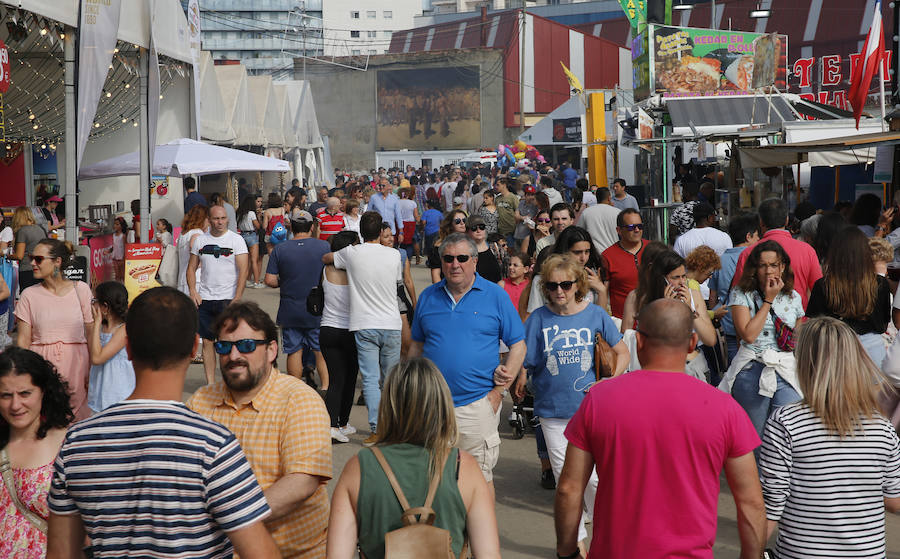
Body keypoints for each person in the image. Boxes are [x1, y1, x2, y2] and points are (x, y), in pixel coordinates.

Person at [46, 287, 279, 559]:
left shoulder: (77, 442)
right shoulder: (214, 446)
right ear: (194, 348)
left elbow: (60, 553)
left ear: (128, 348)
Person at [555, 298, 765, 559]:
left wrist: (567, 552)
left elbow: (569, 489)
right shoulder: (725, 409)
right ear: (692, 343)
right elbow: (751, 503)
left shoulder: (599, 400)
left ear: (639, 342)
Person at [188, 301, 332, 558]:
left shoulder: (299, 399)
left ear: (271, 350)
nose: (234, 356)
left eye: (246, 346)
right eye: (224, 347)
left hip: (292, 553)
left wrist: (232, 518)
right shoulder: (201, 402)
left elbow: (302, 480)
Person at [326, 358, 501, 559]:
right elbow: (488, 554)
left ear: (389, 406)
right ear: (442, 404)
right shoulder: (464, 467)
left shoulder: (360, 467)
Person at [758, 317, 900, 558]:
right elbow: (894, 500)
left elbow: (771, 508)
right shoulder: (883, 429)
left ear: (804, 363)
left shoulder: (785, 423)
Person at [519, 254, 628, 546]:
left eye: (565, 284)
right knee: (565, 482)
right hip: (552, 411)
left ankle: (607, 533)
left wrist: (610, 381)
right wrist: (514, 375)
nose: (559, 291)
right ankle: (576, 544)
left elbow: (623, 352)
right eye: (552, 286)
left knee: (593, 480)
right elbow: (525, 359)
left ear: (578, 284)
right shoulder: (538, 319)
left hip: (591, 411)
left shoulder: (596, 315)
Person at [410, 233, 526, 494]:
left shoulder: (495, 295)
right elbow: (416, 347)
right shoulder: (428, 297)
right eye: (448, 258)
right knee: (431, 481)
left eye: (462, 258)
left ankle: (477, 525)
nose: (455, 264)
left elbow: (518, 345)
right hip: (432, 407)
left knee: (478, 484)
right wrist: (412, 392)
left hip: (477, 407)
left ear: (474, 261)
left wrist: (499, 392)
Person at [323, 212, 402, 446]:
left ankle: (377, 429)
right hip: (391, 323)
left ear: (361, 231)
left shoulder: (351, 253)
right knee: (390, 380)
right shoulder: (395, 255)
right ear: (380, 232)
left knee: (370, 380)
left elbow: (327, 257)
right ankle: (394, 428)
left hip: (364, 324)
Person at [719, 241, 804, 438]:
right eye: (763, 265)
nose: (768, 271)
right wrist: (768, 300)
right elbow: (748, 335)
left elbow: (796, 339)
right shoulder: (741, 294)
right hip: (752, 369)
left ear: (782, 267)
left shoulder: (794, 297)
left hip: (786, 370)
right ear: (754, 269)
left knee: (786, 433)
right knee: (755, 437)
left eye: (773, 265)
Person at [0, 347, 73, 559]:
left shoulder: (68, 444)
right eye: (5, 395)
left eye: (25, 393)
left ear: (44, 391)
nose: (15, 405)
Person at [15, 239, 92, 421]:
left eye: (39, 259)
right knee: (46, 420)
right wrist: (23, 374)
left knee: (77, 421)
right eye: (31, 258)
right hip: (42, 365)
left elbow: (91, 333)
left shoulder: (81, 290)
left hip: (77, 365)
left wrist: (92, 370)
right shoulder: (28, 295)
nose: (33, 263)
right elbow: (23, 341)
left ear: (57, 261)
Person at [621, 250, 718, 381]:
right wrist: (664, 308)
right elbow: (625, 338)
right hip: (652, 367)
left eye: (684, 276)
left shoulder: (694, 295)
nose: (682, 282)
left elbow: (710, 340)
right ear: (661, 278)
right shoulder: (637, 297)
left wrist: (689, 310)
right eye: (675, 278)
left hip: (690, 366)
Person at [805, 226, 892, 365]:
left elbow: (815, 325)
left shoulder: (823, 285)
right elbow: (882, 325)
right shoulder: (880, 284)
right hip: (871, 351)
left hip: (833, 351)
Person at [265, 210, 330, 389]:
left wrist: (284, 281)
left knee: (294, 351)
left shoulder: (280, 249)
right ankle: (326, 388)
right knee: (319, 351)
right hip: (317, 308)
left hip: (290, 308)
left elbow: (269, 280)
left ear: (291, 228)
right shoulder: (324, 247)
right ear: (311, 227)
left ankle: (296, 389)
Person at [187, 204, 249, 384]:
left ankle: (229, 381)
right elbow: (191, 268)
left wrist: (237, 297)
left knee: (227, 343)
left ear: (227, 219)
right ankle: (211, 383)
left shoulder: (236, 240)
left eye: (223, 218)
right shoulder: (200, 240)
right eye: (216, 219)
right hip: (205, 298)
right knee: (207, 342)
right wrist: (193, 291)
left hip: (228, 299)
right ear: (209, 220)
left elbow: (244, 270)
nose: (220, 222)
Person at [733, 198, 822, 309]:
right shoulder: (807, 251)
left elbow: (738, 294)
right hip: (798, 317)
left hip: (758, 317)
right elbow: (818, 290)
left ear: (761, 222)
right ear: (786, 220)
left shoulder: (748, 253)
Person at [320, 231, 361, 443]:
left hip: (327, 328)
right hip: (350, 330)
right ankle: (338, 424)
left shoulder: (325, 270)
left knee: (336, 379)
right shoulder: (356, 272)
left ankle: (336, 424)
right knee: (349, 378)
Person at [709, 213, 760, 362]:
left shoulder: (720, 260)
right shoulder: (756, 259)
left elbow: (712, 298)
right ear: (748, 236)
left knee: (733, 366)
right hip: (752, 325)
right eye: (757, 236)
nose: (759, 240)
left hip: (728, 323)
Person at [87, 281, 134, 413]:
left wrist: (96, 323)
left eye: (94, 301)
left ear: (105, 307)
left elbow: (97, 358)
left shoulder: (124, 330)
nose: (92, 305)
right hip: (99, 395)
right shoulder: (99, 329)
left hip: (118, 397)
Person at [601, 208, 649, 318]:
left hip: (653, 318)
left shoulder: (653, 249)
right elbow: (603, 292)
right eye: (631, 227)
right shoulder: (607, 256)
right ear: (619, 230)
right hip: (622, 321)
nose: (637, 230)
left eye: (640, 226)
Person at [379, 224, 417, 358]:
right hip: (381, 303)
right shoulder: (373, 256)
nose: (391, 239)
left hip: (400, 301)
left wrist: (414, 303)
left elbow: (408, 280)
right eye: (386, 236)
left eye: (392, 235)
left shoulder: (401, 254)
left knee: (406, 346)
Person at [11, 207, 47, 291]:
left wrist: (6, 255)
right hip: (41, 267)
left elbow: (19, 256)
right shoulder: (41, 229)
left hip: (27, 269)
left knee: (27, 294)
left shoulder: (22, 231)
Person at [427, 209, 468, 284]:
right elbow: (435, 274)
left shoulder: (471, 243)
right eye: (457, 221)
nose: (462, 223)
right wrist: (439, 290)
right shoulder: (440, 246)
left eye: (464, 220)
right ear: (451, 224)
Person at [576, 187, 620, 254]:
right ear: (609, 198)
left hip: (594, 253)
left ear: (596, 197)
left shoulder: (586, 212)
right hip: (614, 252)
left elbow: (579, 232)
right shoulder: (618, 213)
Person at [177, 205, 208, 297]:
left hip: (183, 278)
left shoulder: (183, 234)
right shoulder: (197, 233)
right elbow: (194, 251)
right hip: (196, 279)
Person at [236, 195, 263, 289]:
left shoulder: (239, 213)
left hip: (242, 236)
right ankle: (256, 282)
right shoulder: (251, 213)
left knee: (245, 261)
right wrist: (259, 217)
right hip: (251, 236)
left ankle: (245, 280)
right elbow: (258, 226)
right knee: (254, 260)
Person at [466, 215, 502, 283]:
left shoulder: (495, 247)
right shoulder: (466, 251)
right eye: (474, 228)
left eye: (481, 227)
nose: (478, 230)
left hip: (497, 287)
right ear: (467, 232)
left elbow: (506, 269)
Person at [368, 177, 401, 242]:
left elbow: (398, 216)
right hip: (377, 231)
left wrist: (401, 232)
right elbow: (368, 213)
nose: (381, 187)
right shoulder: (373, 197)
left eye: (383, 185)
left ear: (388, 186)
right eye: (380, 185)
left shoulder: (394, 199)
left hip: (391, 231)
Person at [494, 177, 519, 246]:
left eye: (498, 185)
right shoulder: (497, 199)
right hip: (500, 231)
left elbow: (518, 212)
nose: (496, 187)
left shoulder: (513, 197)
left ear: (504, 185)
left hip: (510, 230)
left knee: (510, 249)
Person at [396, 187, 419, 259]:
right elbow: (416, 216)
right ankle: (411, 258)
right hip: (410, 224)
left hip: (399, 223)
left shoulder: (397, 202)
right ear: (408, 194)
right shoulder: (412, 203)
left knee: (400, 242)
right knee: (411, 242)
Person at [108, 216, 127, 282]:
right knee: (117, 275)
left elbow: (125, 247)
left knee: (122, 274)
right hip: (115, 257)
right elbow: (114, 246)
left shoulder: (123, 236)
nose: (115, 226)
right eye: (114, 224)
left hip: (121, 257)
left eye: (117, 224)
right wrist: (109, 251)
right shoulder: (113, 235)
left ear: (121, 226)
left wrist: (124, 257)